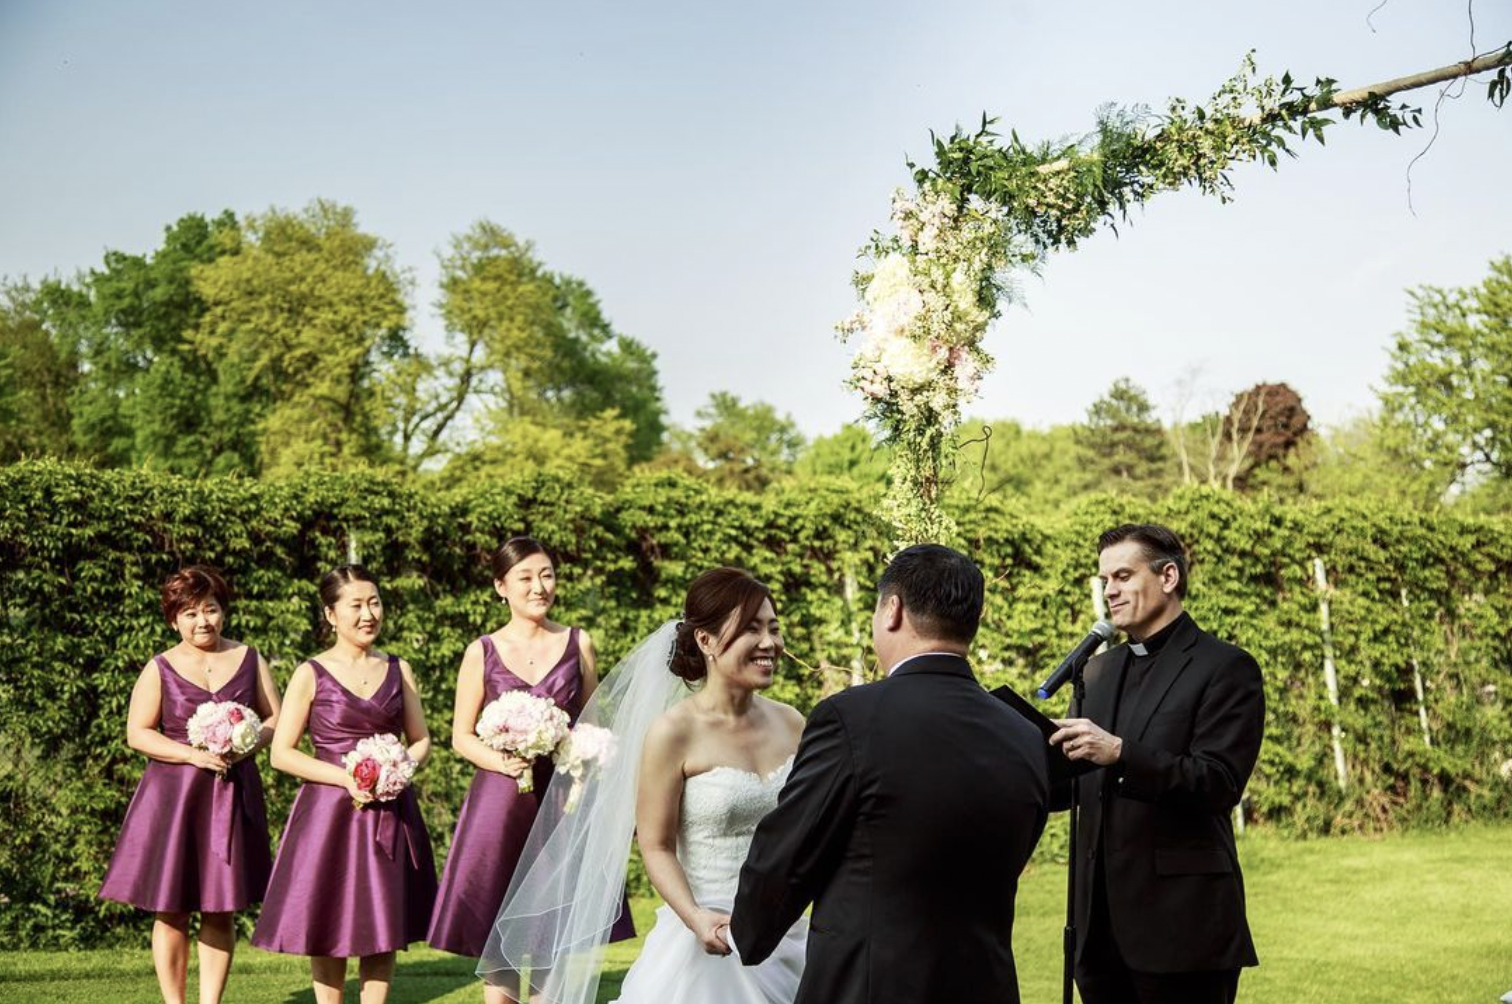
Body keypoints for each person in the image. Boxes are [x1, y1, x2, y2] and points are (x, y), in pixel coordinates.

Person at [730, 543, 1050, 1004]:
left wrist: (750, 931)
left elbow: (790, 851)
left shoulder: (850, 718)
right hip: (985, 984)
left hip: (870, 985)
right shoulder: (1023, 734)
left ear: (893, 610)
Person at [479, 567, 808, 1004]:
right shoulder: (672, 732)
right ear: (706, 641)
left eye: (773, 628)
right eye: (751, 629)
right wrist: (694, 917)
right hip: (704, 931)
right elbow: (655, 846)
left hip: (783, 932)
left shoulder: (793, 722)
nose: (769, 643)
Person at [1049, 523, 1265, 1004]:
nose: (1110, 591)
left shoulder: (1225, 667)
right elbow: (1074, 784)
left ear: (1168, 577)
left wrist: (1121, 752)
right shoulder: (1097, 672)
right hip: (1096, 932)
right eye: (1105, 580)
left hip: (1182, 929)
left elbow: (1218, 782)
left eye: (1123, 576)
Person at [427, 537, 632, 1003]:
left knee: (547, 939)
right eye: (526, 577)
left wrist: (585, 756)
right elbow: (461, 736)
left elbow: (594, 725)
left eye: (547, 575)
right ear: (501, 586)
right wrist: (503, 759)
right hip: (499, 805)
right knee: (499, 943)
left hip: (559, 805)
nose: (539, 587)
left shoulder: (578, 642)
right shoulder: (481, 651)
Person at [251, 565, 437, 1004]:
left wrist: (399, 767)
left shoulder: (398, 668)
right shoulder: (310, 673)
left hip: (390, 812)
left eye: (374, 602)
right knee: (328, 919)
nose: (368, 614)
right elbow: (282, 753)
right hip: (329, 814)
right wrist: (347, 777)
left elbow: (422, 739)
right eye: (355, 605)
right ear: (331, 615)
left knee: (383, 921)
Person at [100, 565, 280, 1004]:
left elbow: (277, 719)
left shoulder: (249, 658)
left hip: (231, 792)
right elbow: (138, 732)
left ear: (223, 611)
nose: (203, 622)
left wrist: (246, 741)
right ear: (173, 619)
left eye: (211, 610)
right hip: (174, 798)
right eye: (191, 613)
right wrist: (191, 753)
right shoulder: (159, 666)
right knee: (172, 906)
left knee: (221, 905)